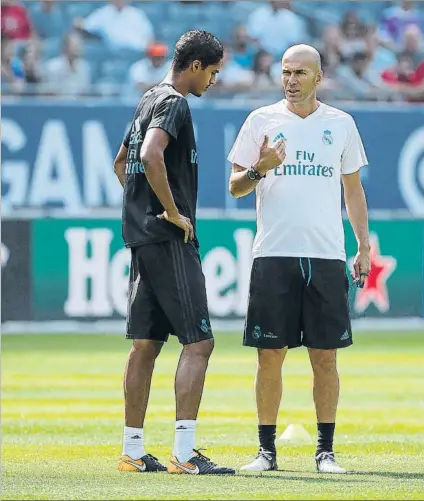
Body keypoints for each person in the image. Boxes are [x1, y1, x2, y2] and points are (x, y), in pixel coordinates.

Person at [227, 44, 371, 474]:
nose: (291, 80)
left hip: (326, 255)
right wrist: (260, 168)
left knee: (324, 356)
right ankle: (266, 452)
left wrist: (363, 246)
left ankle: (325, 452)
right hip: (273, 253)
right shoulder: (260, 121)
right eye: (286, 72)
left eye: (300, 73)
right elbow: (235, 186)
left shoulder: (341, 124)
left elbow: (353, 191)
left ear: (318, 77)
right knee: (269, 355)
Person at [113, 30, 234, 476]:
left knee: (145, 344)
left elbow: (121, 161)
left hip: (143, 239)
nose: (215, 81)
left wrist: (141, 209)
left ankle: (132, 450)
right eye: (214, 72)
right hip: (169, 239)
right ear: (197, 65)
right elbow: (149, 154)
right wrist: (170, 211)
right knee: (199, 343)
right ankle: (184, 454)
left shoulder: (148, 98)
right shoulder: (175, 103)